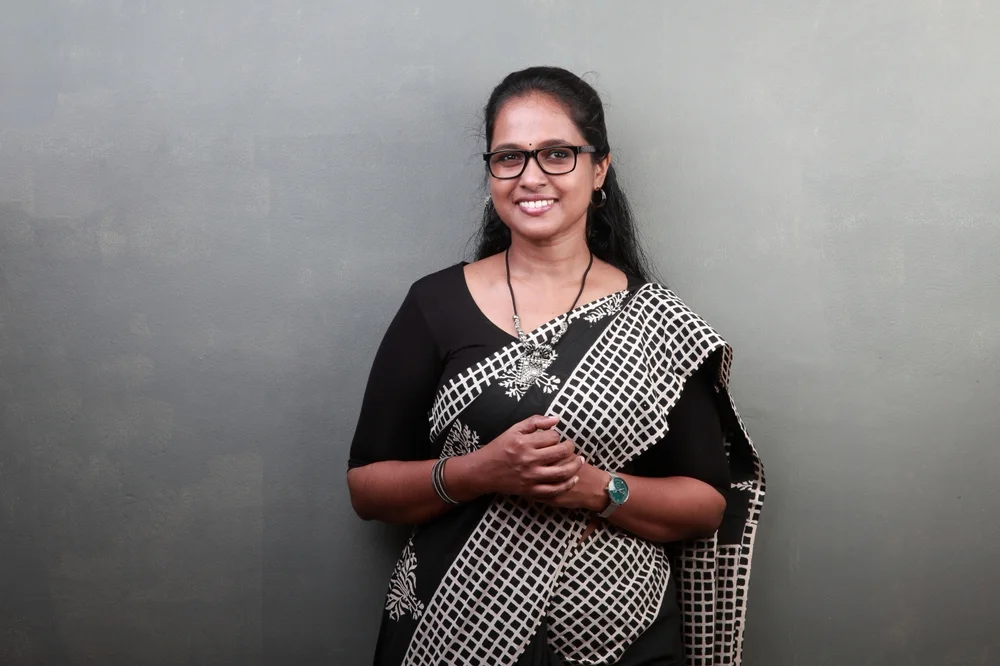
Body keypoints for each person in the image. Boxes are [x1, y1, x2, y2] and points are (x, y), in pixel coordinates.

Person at [347, 66, 765, 666]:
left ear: (599, 169)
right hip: (456, 629)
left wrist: (595, 487)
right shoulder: (434, 305)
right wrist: (482, 471)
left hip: (623, 638)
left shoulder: (658, 322)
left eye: (557, 154)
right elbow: (367, 488)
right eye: (508, 157)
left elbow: (706, 505)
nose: (531, 176)